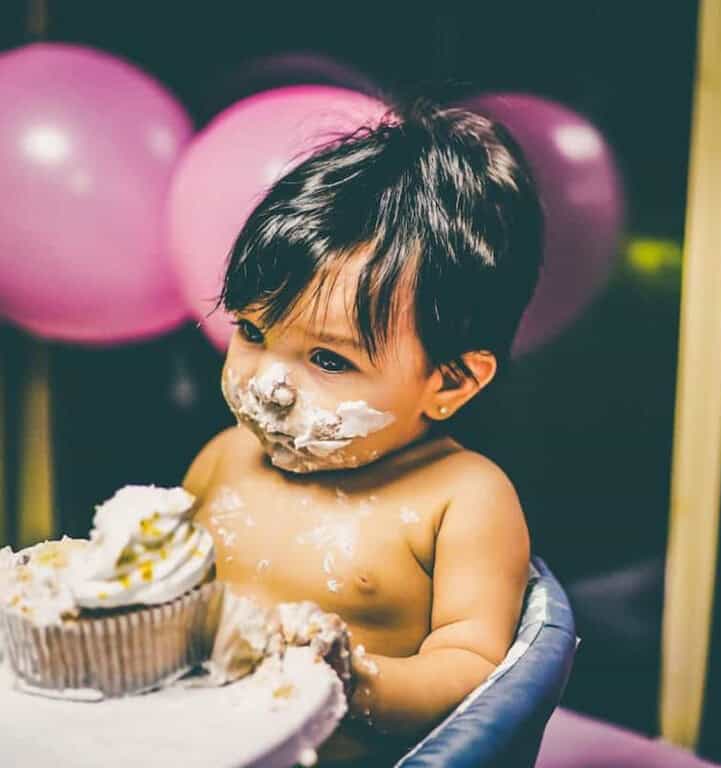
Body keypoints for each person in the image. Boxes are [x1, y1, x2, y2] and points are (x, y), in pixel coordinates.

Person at [183, 98, 543, 765]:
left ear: (451, 383)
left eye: (329, 359)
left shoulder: (461, 500)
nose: (269, 385)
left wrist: (351, 673)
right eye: (254, 333)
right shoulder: (224, 459)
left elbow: (474, 674)